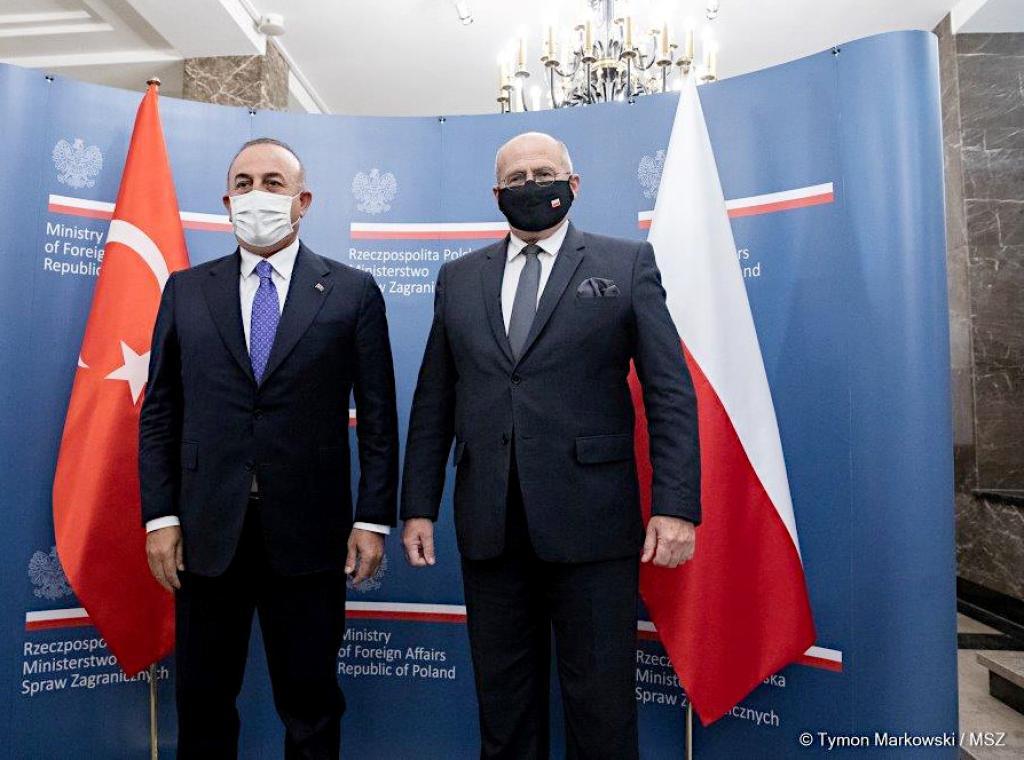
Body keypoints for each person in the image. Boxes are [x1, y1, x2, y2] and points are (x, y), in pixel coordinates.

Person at [400, 131, 701, 759]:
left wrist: (676, 506)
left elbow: (669, 392)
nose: (531, 185)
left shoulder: (626, 264)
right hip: (490, 526)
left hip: (594, 526)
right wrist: (418, 506)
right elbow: (434, 402)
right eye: (516, 178)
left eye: (544, 172)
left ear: (574, 184)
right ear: (497, 194)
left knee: (602, 711)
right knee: (503, 710)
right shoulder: (458, 279)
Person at [139, 137, 399, 759]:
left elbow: (380, 418)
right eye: (245, 183)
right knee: (203, 703)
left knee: (311, 706)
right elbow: (161, 412)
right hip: (206, 532)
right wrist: (160, 516)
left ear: (303, 201)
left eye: (274, 183)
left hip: (310, 534)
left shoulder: (352, 292)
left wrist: (372, 520)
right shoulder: (185, 290)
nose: (258, 194)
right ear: (227, 201)